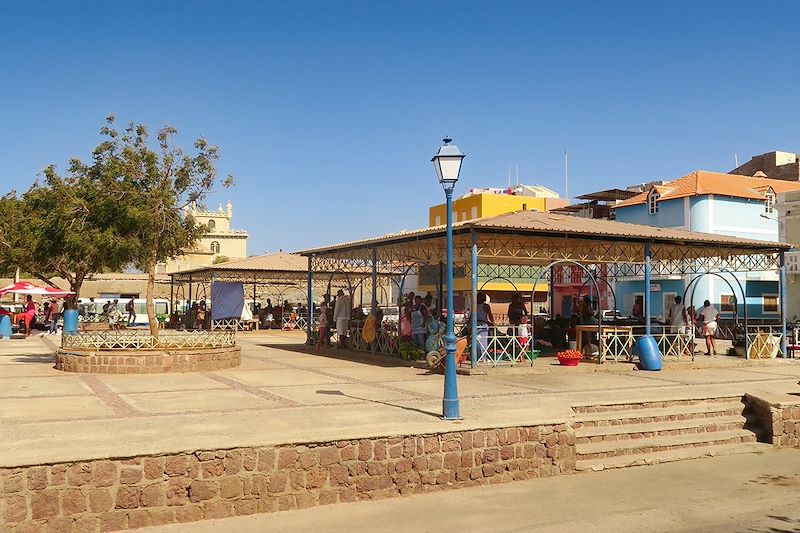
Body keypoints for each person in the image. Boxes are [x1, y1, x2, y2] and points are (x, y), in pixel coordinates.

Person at [476, 292, 495, 362]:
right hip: (483, 324)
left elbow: (472, 316)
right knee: (483, 342)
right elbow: (490, 315)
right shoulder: (486, 306)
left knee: (477, 341)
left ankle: (477, 356)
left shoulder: (475, 305)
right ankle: (483, 357)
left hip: (475, 323)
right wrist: (493, 323)